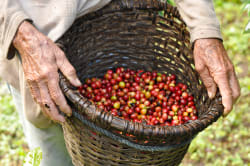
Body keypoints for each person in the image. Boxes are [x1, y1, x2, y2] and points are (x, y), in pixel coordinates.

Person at [0, 0, 240, 165]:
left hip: (126, 24)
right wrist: (20, 33)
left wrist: (205, 29)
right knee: (52, 154)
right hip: (39, 38)